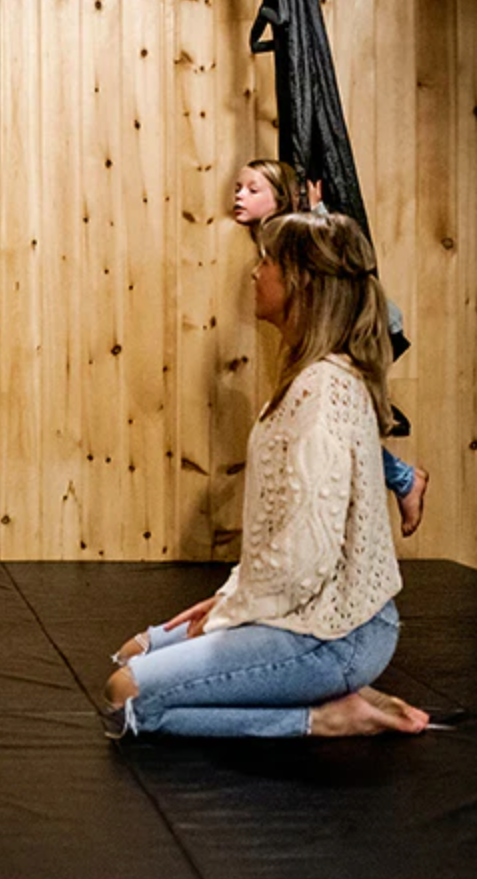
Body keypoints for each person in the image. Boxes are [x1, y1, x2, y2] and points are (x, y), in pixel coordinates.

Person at [104, 213, 430, 739]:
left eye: (266, 261)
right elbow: (275, 539)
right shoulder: (311, 376)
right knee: (133, 651)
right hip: (311, 616)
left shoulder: (321, 393)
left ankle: (324, 715)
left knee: (127, 695)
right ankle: (320, 690)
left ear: (300, 281)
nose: (254, 273)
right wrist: (227, 601)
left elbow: (305, 555)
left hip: (332, 637)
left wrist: (229, 614)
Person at [232, 159, 428, 536]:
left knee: (339, 417)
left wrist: (317, 207)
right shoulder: (273, 236)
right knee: (343, 426)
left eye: (253, 190)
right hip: (352, 326)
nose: (240, 196)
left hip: (370, 325)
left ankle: (404, 481)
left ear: (282, 198)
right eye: (238, 188)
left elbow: (335, 250)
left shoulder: (298, 235)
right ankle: (403, 479)